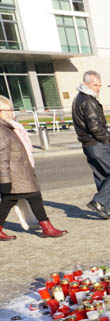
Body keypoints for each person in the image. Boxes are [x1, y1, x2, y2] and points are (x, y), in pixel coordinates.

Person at [0, 96, 67, 240]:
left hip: (21, 172)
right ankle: (47, 227)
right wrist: (4, 180)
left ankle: (47, 227)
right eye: (4, 110)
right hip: (15, 174)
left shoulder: (10, 127)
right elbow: (2, 157)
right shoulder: (2, 130)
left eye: (10, 109)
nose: (9, 113)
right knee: (26, 198)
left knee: (16, 200)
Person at [73, 70, 110, 219]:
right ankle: (98, 202)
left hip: (88, 145)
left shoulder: (79, 99)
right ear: (85, 84)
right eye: (95, 85)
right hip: (96, 144)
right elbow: (94, 127)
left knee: (102, 177)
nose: (98, 88)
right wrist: (106, 138)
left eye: (99, 85)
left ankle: (109, 209)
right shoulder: (88, 100)